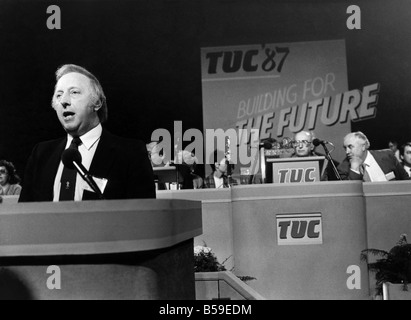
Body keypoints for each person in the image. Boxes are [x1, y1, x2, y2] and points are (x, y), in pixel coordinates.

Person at [19, 64, 155, 202]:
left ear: (97, 102)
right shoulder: (41, 154)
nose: (64, 101)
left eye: (74, 92)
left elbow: (143, 216)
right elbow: (24, 214)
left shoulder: (131, 153)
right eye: (59, 95)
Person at [337, 131, 410, 181]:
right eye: (345, 148)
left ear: (363, 146)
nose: (347, 152)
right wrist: (354, 170)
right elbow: (351, 194)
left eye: (350, 147)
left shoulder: (387, 156)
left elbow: (405, 180)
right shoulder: (342, 169)